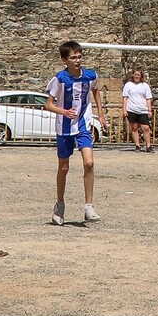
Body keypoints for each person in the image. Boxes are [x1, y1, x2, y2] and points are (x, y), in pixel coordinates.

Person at [46, 40, 101, 225]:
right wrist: (64, 112)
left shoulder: (91, 75)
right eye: (73, 58)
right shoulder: (60, 79)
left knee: (89, 162)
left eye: (79, 57)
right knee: (64, 167)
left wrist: (101, 115)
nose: (77, 60)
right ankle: (60, 204)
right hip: (65, 126)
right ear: (64, 60)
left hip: (83, 123)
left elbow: (95, 91)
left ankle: (89, 206)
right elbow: (48, 105)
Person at [122, 69, 154, 151]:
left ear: (141, 76)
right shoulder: (128, 85)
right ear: (132, 75)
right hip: (132, 109)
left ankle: (148, 146)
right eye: (135, 74)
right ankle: (137, 145)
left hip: (143, 109)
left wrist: (149, 110)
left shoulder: (145, 85)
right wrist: (124, 110)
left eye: (138, 75)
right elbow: (125, 98)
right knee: (134, 128)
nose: (136, 76)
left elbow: (148, 98)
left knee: (146, 128)